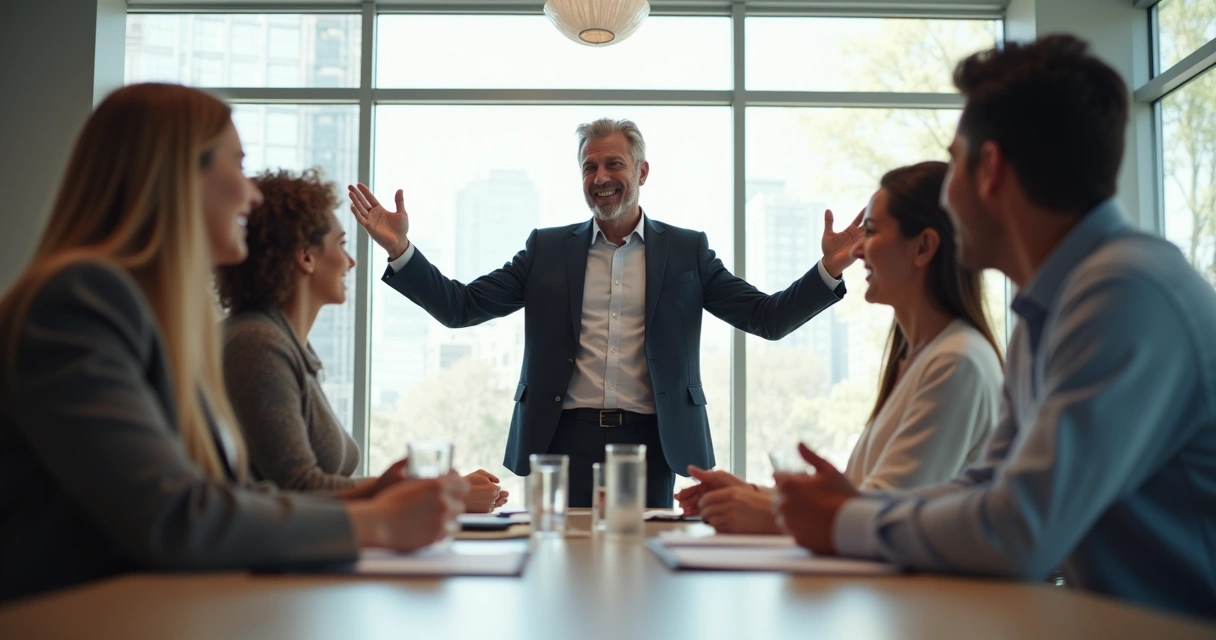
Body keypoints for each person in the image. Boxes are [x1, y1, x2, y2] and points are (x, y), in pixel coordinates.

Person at [773, 35, 1216, 621]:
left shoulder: (1123, 291)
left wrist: (844, 519)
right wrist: (850, 508)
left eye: (953, 160)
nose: (946, 193)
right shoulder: (1053, 305)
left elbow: (1020, 528)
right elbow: (989, 481)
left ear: (990, 169)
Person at [0, 83, 467, 602]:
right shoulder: (82, 299)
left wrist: (371, 498)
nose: (252, 194)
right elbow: (174, 517)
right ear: (176, 173)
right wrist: (374, 522)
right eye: (237, 164)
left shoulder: (156, 317)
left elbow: (224, 499)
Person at [348, 118, 863, 508]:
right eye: (590, 166)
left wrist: (829, 268)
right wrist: (401, 251)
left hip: (653, 442)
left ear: (641, 171)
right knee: (559, 572)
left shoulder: (687, 251)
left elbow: (767, 319)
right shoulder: (546, 250)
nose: (601, 176)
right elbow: (461, 308)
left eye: (613, 164)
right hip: (560, 437)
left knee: (647, 575)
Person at [676, 161, 1004, 534]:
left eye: (873, 232)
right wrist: (751, 494)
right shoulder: (922, 358)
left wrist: (764, 511)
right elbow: (861, 498)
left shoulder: (957, 362)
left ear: (924, 247)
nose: (859, 250)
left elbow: (880, 517)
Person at [215, 168, 508, 512]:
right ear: (306, 256)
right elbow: (300, 489)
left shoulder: (282, 341)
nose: (350, 261)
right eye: (340, 244)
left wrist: (438, 489)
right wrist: (446, 493)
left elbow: (314, 484)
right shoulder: (258, 344)